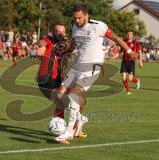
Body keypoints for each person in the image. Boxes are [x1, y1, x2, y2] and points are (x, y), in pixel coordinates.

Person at [55, 4, 137, 143]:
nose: (77, 21)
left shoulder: (99, 26)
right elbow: (74, 43)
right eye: (75, 18)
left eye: (79, 18)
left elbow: (116, 38)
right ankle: (80, 118)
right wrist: (66, 52)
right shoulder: (75, 27)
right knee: (60, 94)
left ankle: (69, 132)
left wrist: (129, 51)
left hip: (93, 66)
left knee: (74, 94)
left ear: (86, 15)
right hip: (77, 66)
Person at [36, 23, 72, 119]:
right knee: (62, 100)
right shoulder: (50, 40)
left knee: (61, 102)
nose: (61, 33)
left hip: (58, 79)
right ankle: (62, 124)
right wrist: (41, 45)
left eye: (63, 31)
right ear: (53, 32)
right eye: (58, 31)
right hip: (46, 77)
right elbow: (42, 42)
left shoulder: (64, 46)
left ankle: (60, 125)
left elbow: (72, 49)